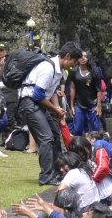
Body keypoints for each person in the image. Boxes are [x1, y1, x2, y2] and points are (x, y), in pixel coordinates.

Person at [18, 41, 81, 186]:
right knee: (46, 138)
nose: (74, 65)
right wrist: (55, 109)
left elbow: (50, 91)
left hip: (39, 104)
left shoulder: (58, 70)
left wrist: (58, 110)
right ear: (67, 56)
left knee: (55, 134)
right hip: (29, 103)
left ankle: (59, 172)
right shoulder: (48, 67)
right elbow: (37, 95)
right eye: (74, 61)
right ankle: (46, 177)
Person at [67, 51, 103, 136]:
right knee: (78, 129)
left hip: (92, 103)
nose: (83, 58)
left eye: (85, 56)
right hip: (78, 104)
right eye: (81, 56)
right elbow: (72, 88)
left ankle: (98, 146)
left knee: (96, 128)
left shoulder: (95, 71)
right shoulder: (73, 71)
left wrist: (99, 105)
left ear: (89, 58)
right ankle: (78, 146)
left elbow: (98, 90)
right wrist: (72, 105)